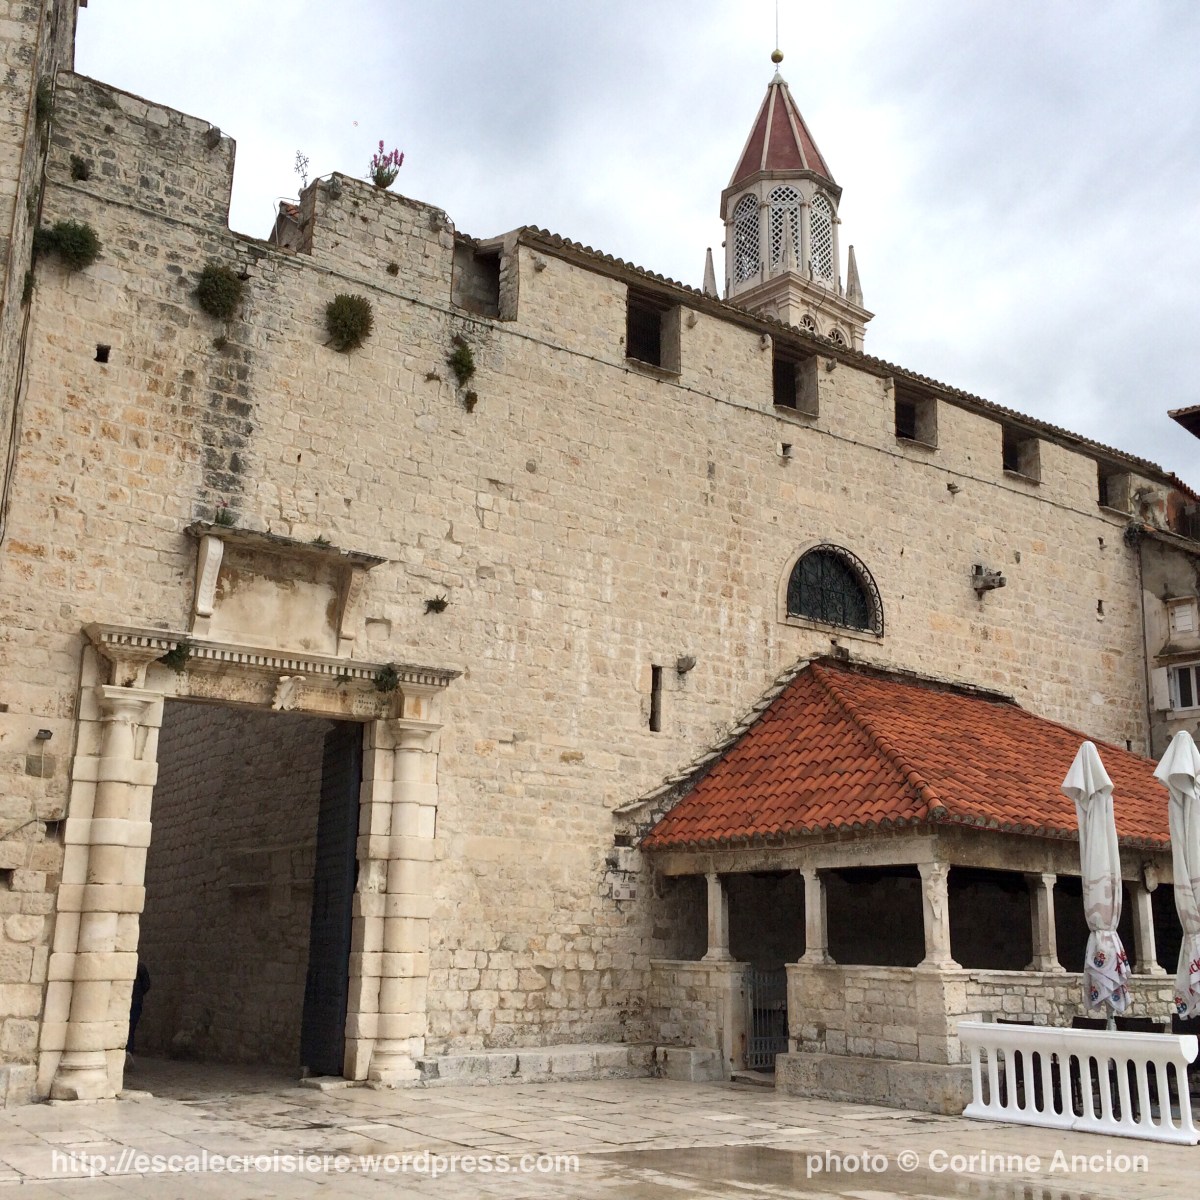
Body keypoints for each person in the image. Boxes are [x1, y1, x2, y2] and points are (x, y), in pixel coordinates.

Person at [128, 959, 150, 1057]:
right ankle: (128, 1052)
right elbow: (146, 985)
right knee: (130, 1029)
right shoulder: (140, 967)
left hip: (132, 1002)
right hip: (135, 1002)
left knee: (130, 1028)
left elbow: (146, 985)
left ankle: (127, 1052)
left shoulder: (139, 968)